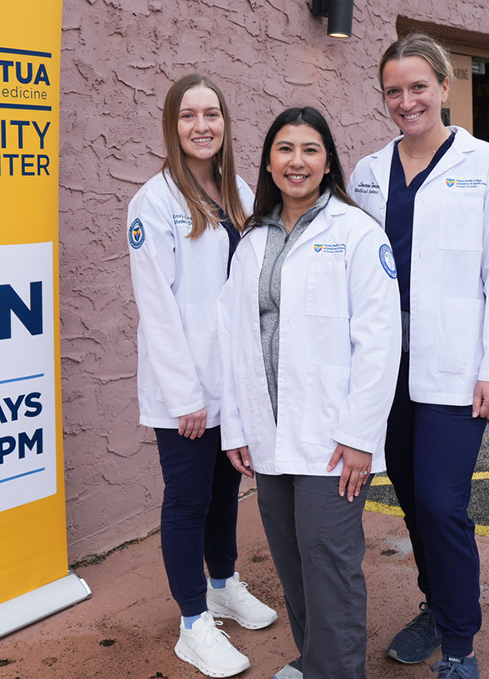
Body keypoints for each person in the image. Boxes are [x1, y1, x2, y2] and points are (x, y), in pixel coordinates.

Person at [348, 32, 489, 679]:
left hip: (454, 363)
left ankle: (458, 643)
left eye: (417, 86)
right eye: (393, 90)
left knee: (443, 503)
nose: (405, 100)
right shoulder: (367, 172)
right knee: (412, 497)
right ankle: (435, 603)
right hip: (383, 365)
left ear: (444, 88)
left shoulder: (485, 166)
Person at [219, 106, 401, 679]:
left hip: (333, 439)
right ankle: (313, 661)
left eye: (310, 150)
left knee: (330, 563)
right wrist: (236, 427)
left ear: (327, 163)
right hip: (268, 431)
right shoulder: (251, 242)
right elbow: (235, 342)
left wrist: (359, 437)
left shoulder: (355, 233)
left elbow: (379, 342)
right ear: (269, 162)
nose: (297, 161)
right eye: (285, 150)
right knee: (293, 562)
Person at [127, 74, 277, 679]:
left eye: (211, 114)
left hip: (230, 383)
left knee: (223, 495)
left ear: (225, 122)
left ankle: (223, 583)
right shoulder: (154, 201)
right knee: (187, 501)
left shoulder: (237, 189)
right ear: (172, 125)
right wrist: (185, 393)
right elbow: (156, 305)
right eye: (188, 115)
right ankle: (193, 623)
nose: (201, 126)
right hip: (185, 389)